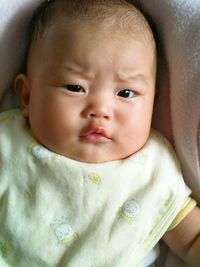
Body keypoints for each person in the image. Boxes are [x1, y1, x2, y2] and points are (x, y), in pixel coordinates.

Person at [0, 0, 199, 266]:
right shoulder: (8, 144)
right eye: (74, 87)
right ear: (26, 96)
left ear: (152, 105)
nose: (101, 110)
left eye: (126, 93)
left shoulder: (151, 171)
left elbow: (192, 238)